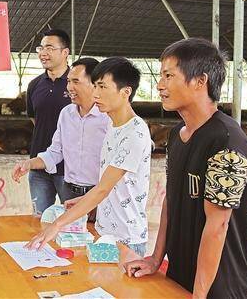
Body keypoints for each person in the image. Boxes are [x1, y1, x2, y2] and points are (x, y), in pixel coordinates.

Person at [124, 38, 247, 298]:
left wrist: (200, 294)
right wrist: (155, 259)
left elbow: (218, 226)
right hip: (180, 275)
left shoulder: (228, 141)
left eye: (169, 75)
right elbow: (170, 200)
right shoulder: (176, 135)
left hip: (217, 286)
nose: (160, 85)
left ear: (200, 81)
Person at [27, 57, 151, 258]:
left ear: (125, 92)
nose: (95, 93)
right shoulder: (113, 126)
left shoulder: (135, 133)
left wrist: (58, 224)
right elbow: (111, 186)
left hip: (126, 239)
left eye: (102, 87)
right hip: (105, 232)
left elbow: (102, 188)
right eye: (94, 86)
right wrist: (83, 200)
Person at [12, 58, 109, 218]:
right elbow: (55, 152)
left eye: (76, 81)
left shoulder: (108, 118)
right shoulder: (66, 114)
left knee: (98, 240)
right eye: (69, 81)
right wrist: (28, 164)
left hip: (100, 196)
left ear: (95, 84)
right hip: (70, 193)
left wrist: (98, 197)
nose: (69, 87)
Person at [26, 29, 72, 214]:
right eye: (41, 48)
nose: (43, 53)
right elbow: (35, 119)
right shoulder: (34, 85)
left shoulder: (77, 83)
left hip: (69, 169)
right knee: (40, 219)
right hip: (39, 165)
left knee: (72, 222)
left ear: (65, 52)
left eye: (50, 48)